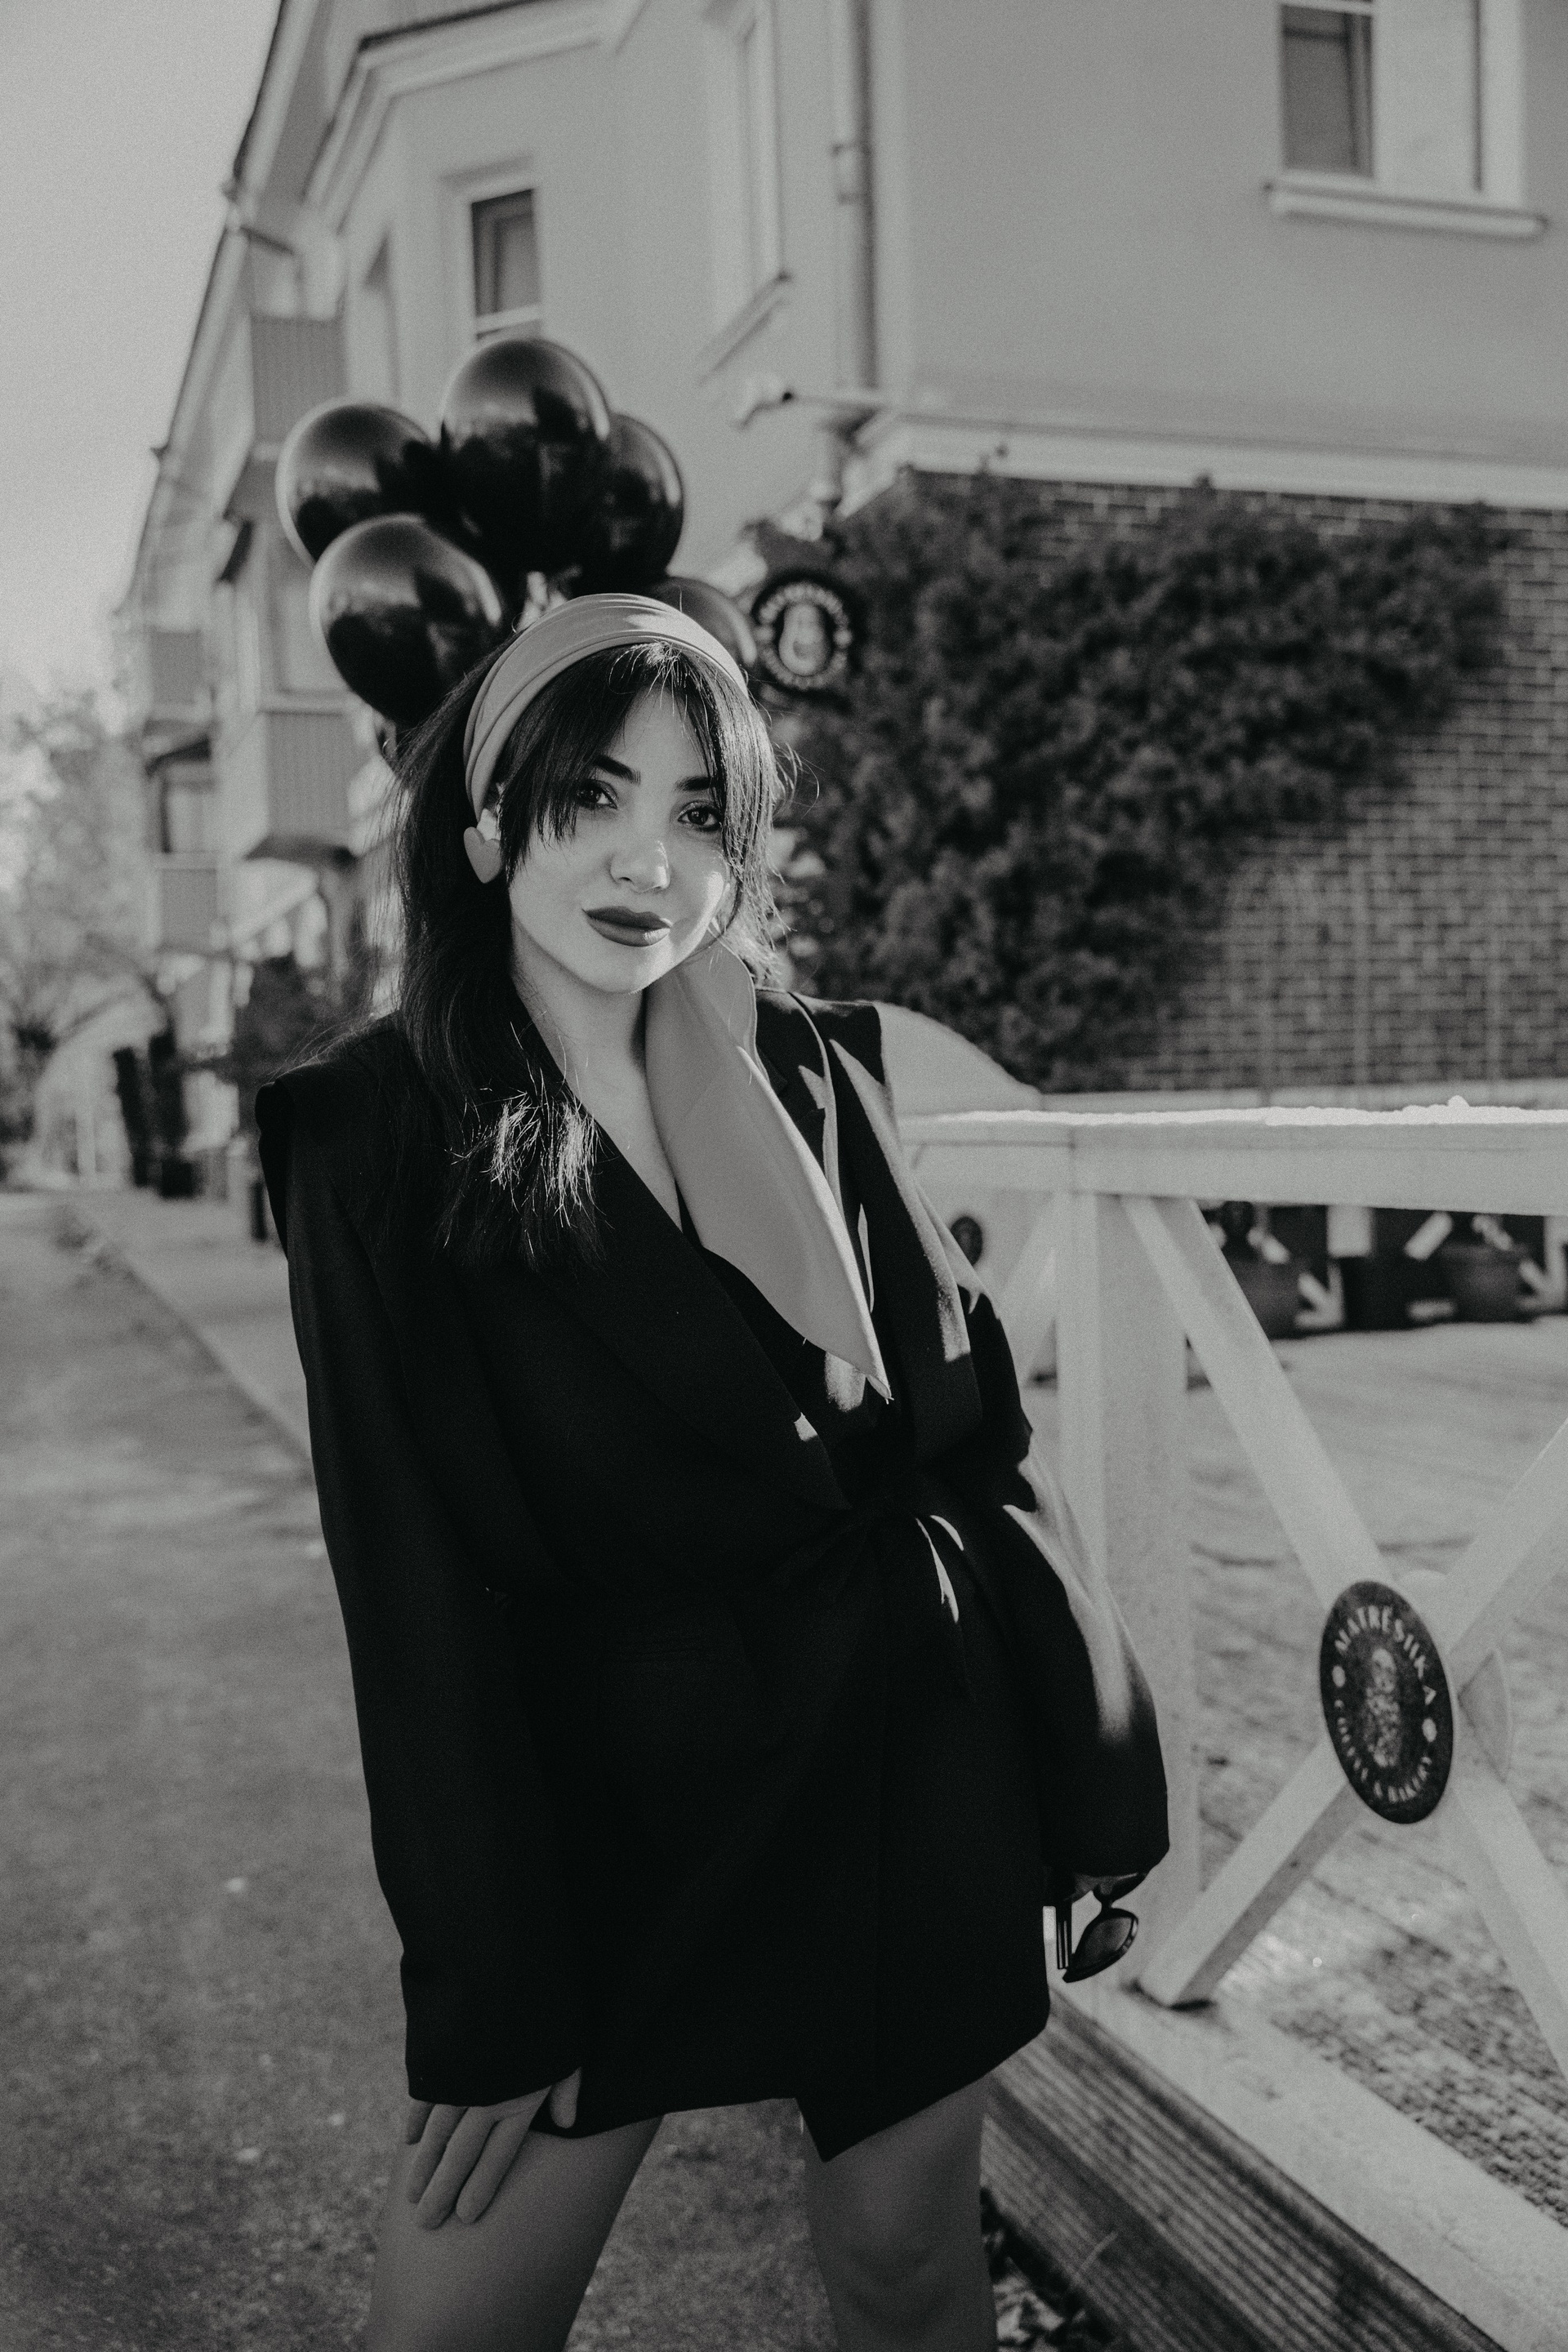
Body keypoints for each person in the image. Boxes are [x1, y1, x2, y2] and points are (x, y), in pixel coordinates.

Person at [256, 593, 1168, 2352]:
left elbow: (969, 1437)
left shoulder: (807, 1062)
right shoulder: (371, 1132)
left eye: (697, 812)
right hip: (616, 1802)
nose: (646, 862)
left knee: (906, 2264)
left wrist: (1084, 1766)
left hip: (907, 1745)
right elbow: (412, 1590)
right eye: (591, 795)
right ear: (485, 820)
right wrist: (488, 1987)